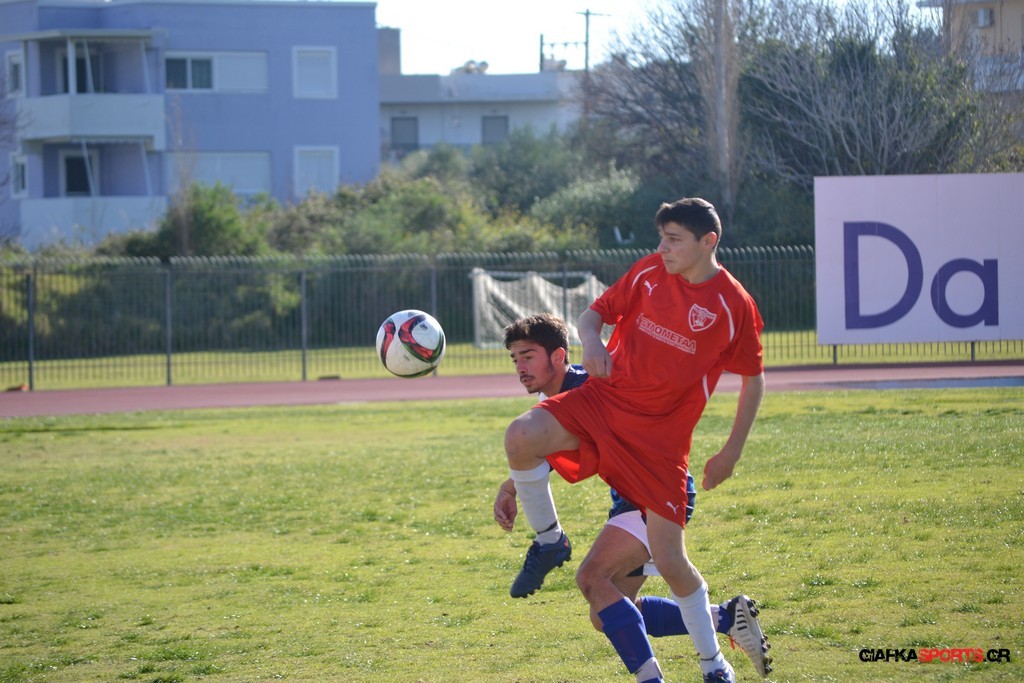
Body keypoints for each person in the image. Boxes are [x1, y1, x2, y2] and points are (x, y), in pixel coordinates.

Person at [503, 198, 766, 683]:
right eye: (661, 237)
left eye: (674, 239)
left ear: (708, 242)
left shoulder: (733, 305)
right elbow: (593, 316)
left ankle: (714, 663)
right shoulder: (648, 271)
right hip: (607, 405)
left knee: (663, 565)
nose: (662, 247)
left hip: (658, 447)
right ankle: (550, 541)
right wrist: (593, 342)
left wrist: (731, 451)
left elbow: (754, 379)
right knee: (520, 434)